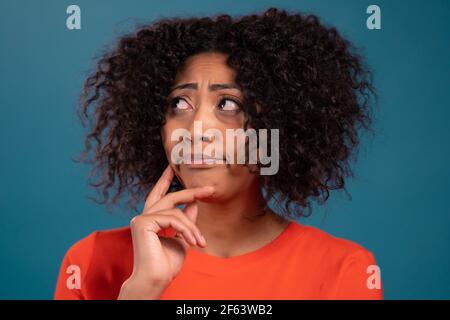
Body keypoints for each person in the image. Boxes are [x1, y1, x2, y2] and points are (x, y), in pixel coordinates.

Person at [54, 7, 383, 300]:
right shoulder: (92, 260)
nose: (196, 130)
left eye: (228, 104)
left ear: (278, 127)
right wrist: (143, 290)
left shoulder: (343, 270)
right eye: (179, 104)